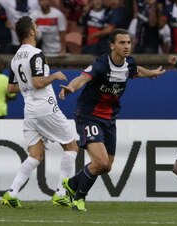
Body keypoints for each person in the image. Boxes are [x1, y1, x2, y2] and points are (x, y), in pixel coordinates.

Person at [58, 28, 166, 211]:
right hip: (88, 115)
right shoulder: (101, 64)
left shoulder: (129, 63)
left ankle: (73, 183)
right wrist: (70, 87)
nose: (126, 46)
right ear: (112, 45)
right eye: (122, 43)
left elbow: (135, 71)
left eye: (129, 42)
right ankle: (79, 199)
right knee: (100, 162)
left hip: (109, 118)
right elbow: (83, 78)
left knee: (106, 166)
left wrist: (151, 73)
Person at [1, 16, 78, 208]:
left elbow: (11, 89)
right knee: (71, 146)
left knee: (35, 155)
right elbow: (37, 82)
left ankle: (12, 193)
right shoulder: (36, 53)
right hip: (45, 107)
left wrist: (26, 85)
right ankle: (61, 192)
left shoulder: (15, 58)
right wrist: (54, 76)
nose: (38, 29)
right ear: (32, 32)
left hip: (30, 111)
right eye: (36, 27)